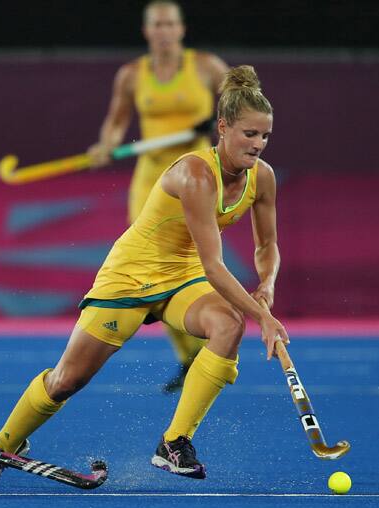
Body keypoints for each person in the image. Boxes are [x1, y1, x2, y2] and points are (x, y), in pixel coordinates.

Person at [0, 65, 288, 487]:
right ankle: (1, 445)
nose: (258, 145)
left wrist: (267, 286)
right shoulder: (195, 175)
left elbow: (267, 247)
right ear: (222, 128)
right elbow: (215, 266)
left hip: (182, 278)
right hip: (130, 277)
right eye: (249, 134)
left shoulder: (262, 179)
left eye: (265, 136)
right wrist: (265, 318)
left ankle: (174, 442)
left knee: (227, 325)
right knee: (68, 380)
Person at [87, 1, 229, 393]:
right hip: (152, 180)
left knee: (193, 262)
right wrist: (106, 145)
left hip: (198, 174)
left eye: (170, 24)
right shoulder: (132, 74)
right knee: (151, 268)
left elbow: (243, 102)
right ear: (147, 31)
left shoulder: (205, 66)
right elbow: (116, 122)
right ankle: (189, 358)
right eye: (157, 25)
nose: (164, 31)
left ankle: (206, 341)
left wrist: (217, 120)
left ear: (181, 29)